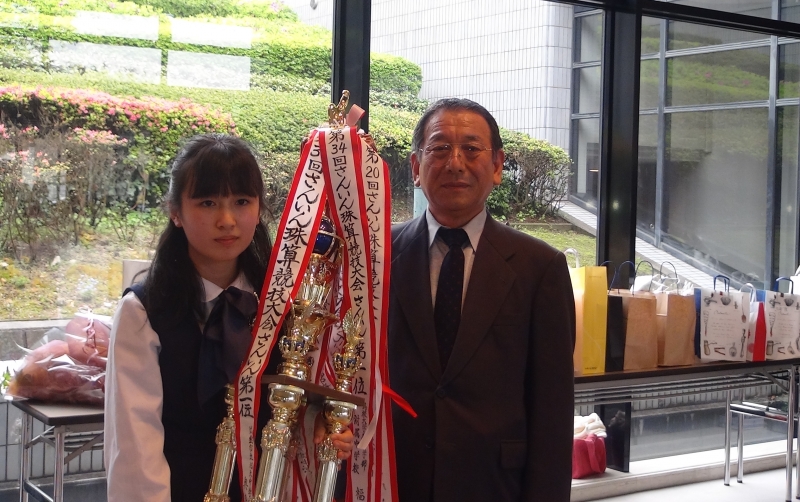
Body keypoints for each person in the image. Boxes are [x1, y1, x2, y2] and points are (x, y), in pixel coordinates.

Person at [105, 134, 352, 502]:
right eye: (208, 203)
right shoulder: (143, 312)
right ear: (175, 211)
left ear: (260, 208)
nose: (227, 220)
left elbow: (299, 406)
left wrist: (325, 430)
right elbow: (135, 448)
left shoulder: (284, 305)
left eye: (241, 202)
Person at [388, 98, 576, 502]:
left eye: (471, 149)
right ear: (416, 167)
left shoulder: (540, 267)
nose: (455, 163)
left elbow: (552, 410)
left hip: (494, 484)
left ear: (497, 166)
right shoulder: (378, 255)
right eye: (440, 148)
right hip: (395, 478)